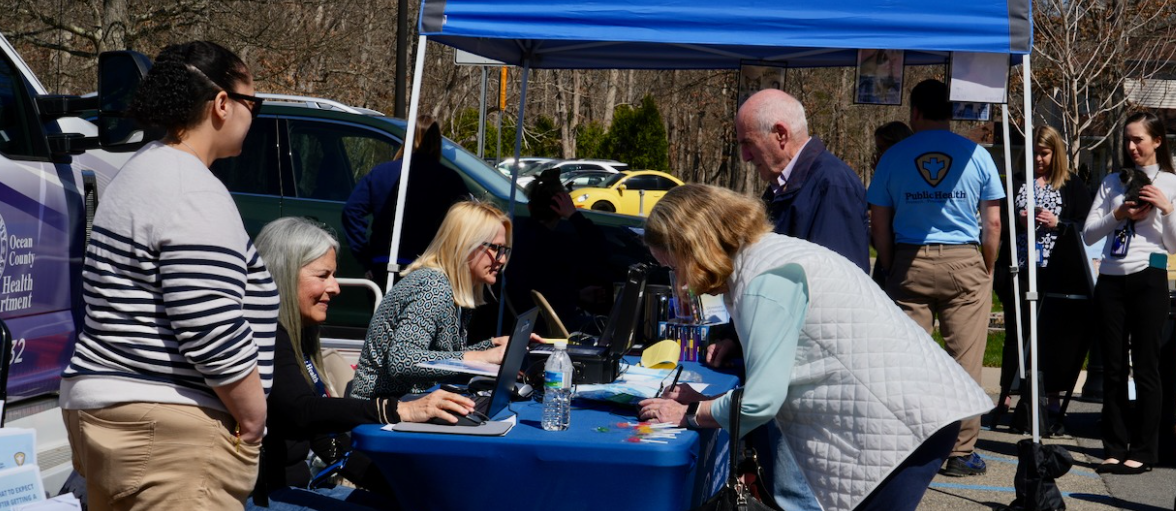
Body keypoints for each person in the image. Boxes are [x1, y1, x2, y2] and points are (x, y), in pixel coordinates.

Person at [636, 184, 992, 511]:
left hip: (906, 423)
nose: (682, 286)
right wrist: (707, 404)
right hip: (910, 412)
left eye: (675, 267)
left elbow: (762, 399)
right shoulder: (770, 255)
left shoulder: (764, 279)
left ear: (697, 248)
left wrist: (692, 414)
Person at [59, 41, 279, 510]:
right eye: (251, 103)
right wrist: (254, 412)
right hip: (170, 434)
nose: (252, 116)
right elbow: (210, 324)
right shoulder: (191, 189)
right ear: (222, 104)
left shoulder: (141, 171)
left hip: (116, 414)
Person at [249, 217, 477, 511]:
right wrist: (398, 410)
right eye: (323, 275)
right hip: (262, 497)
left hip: (295, 487)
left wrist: (399, 485)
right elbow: (301, 410)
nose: (335, 287)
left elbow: (325, 440)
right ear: (285, 273)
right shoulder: (263, 333)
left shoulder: (296, 335)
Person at [866, 78, 1004, 477]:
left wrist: (890, 263)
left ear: (914, 112)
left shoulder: (894, 155)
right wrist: (987, 264)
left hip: (910, 258)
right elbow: (992, 222)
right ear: (952, 112)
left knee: (906, 360)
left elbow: (879, 221)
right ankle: (960, 452)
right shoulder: (975, 154)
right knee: (966, 360)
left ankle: (903, 443)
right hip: (964, 261)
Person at [1083, 111, 1176, 475]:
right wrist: (1119, 212)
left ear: (1157, 141)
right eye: (1127, 140)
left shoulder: (1169, 182)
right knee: (1113, 367)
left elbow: (1172, 244)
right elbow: (1089, 234)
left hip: (1148, 277)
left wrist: (1166, 209)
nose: (1132, 146)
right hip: (1110, 279)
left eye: (1139, 139)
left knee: (1147, 368)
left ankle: (1144, 450)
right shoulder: (1111, 181)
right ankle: (1112, 446)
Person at [349, 200, 514, 398]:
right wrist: (479, 357)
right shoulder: (433, 286)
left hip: (407, 403)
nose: (502, 260)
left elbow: (445, 357)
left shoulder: (450, 287)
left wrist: (492, 346)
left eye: (505, 250)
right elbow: (402, 360)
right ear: (465, 244)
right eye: (495, 248)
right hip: (381, 411)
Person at [993, 125, 1092, 411]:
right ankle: (1007, 392)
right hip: (1020, 269)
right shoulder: (1016, 183)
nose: (1038, 159)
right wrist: (1019, 220)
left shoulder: (1071, 185)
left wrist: (1057, 224)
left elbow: (1087, 225)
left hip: (1056, 272)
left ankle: (1051, 394)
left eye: (1045, 154)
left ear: (1056, 153)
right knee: (1017, 332)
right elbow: (997, 221)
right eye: (1034, 153)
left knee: (1050, 334)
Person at [735, 89, 870, 272]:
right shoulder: (782, 185)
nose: (745, 157)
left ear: (781, 134)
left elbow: (837, 281)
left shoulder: (832, 184)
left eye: (748, 143)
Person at [342, 114, 470, 277]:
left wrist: (366, 258)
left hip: (384, 262)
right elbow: (467, 221)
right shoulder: (448, 179)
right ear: (437, 141)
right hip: (428, 267)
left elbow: (351, 211)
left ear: (406, 138)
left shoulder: (381, 173)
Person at [506, 167, 610, 335]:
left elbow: (546, 291)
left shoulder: (520, 238)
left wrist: (577, 295)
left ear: (530, 207)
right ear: (560, 209)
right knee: (607, 327)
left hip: (531, 323)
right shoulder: (557, 245)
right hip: (556, 327)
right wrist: (574, 215)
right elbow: (600, 251)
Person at [869, 121, 914, 287]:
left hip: (898, 255)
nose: (878, 154)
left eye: (881, 148)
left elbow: (879, 224)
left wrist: (888, 270)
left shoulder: (900, 178)